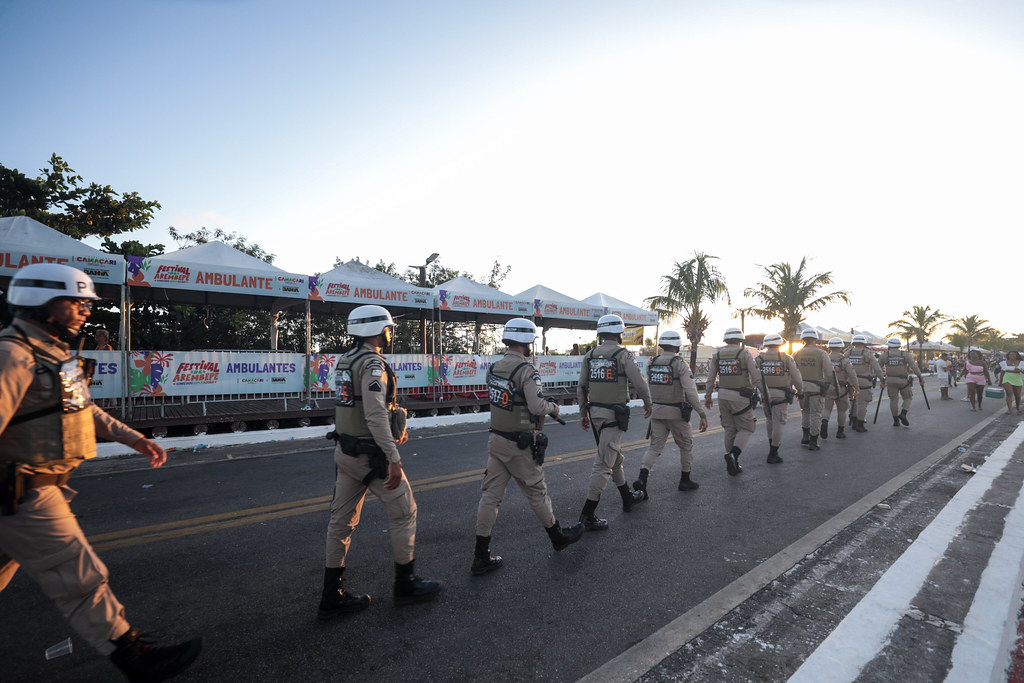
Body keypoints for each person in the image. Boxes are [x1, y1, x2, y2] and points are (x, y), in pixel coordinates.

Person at [0, 263, 201, 682]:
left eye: (85, 302)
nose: (84, 310)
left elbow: (84, 410)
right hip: (24, 493)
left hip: (34, 488)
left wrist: (134, 439)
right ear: (40, 300)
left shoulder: (51, 354)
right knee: (80, 576)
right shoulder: (13, 355)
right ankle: (134, 656)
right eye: (74, 301)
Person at [321, 304, 441, 618]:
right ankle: (406, 586)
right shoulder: (373, 364)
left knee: (340, 524)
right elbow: (374, 415)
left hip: (345, 453)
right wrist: (394, 458)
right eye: (388, 327)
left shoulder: (346, 360)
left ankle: (331, 597)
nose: (390, 333)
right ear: (376, 329)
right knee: (405, 512)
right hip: (369, 457)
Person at [471, 318, 583, 576]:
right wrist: (553, 408)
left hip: (497, 441)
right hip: (518, 444)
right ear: (525, 342)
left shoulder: (495, 367)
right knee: (537, 491)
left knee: (490, 497)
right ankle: (557, 537)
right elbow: (535, 406)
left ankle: (480, 555)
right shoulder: (527, 371)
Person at [576, 314, 652, 531]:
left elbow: (581, 386)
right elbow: (639, 382)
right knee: (603, 464)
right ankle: (587, 515)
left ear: (600, 333)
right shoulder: (622, 355)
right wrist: (648, 403)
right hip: (613, 416)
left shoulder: (589, 355)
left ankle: (627, 497)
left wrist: (583, 412)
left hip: (595, 415)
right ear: (620, 333)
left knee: (613, 456)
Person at [633, 330, 708, 496]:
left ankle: (642, 478)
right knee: (686, 446)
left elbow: (648, 386)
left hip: (657, 412)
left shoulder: (653, 362)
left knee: (654, 448)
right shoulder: (679, 363)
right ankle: (685, 480)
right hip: (676, 414)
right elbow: (690, 391)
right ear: (677, 345)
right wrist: (701, 413)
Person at [704, 327, 762, 474]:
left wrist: (708, 396)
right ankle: (733, 455)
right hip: (740, 397)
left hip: (722, 396)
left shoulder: (718, 355)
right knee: (748, 427)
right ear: (740, 340)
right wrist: (756, 390)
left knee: (730, 429)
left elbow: (710, 378)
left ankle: (733, 463)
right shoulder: (744, 354)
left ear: (726, 340)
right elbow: (756, 377)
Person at [754, 333, 803, 464]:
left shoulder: (759, 359)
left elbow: (753, 377)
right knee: (779, 423)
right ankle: (773, 453)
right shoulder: (786, 358)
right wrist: (801, 390)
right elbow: (797, 377)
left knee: (770, 421)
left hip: (765, 394)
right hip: (781, 395)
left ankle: (772, 447)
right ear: (780, 344)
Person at [794, 329, 836, 451]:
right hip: (816, 388)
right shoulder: (822, 354)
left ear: (803, 339)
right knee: (816, 414)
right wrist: (830, 385)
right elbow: (829, 372)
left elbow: (793, 373)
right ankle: (813, 441)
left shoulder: (796, 353)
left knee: (805, 411)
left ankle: (805, 436)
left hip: (802, 388)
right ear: (815, 339)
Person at [879, 338, 926, 425]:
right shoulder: (905, 355)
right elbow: (914, 367)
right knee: (908, 397)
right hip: (903, 380)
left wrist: (882, 380)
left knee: (893, 400)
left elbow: (878, 368)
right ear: (899, 345)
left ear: (889, 345)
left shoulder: (885, 355)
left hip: (890, 380)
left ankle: (895, 421)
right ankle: (903, 414)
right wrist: (920, 378)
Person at [821, 337, 859, 439]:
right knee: (842, 410)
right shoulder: (844, 360)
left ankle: (824, 421)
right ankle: (840, 432)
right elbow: (852, 375)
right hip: (841, 389)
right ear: (841, 347)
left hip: (827, 387)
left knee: (827, 409)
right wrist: (857, 389)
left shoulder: (825, 358)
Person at [845, 334, 885, 432]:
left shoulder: (847, 353)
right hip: (864, 381)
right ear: (864, 343)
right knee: (862, 403)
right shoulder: (867, 353)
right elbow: (877, 368)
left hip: (850, 381)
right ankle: (860, 424)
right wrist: (882, 379)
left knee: (853, 401)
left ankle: (854, 422)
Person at [998, 350, 1023, 414]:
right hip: (1007, 378)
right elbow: (1002, 372)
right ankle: (1009, 410)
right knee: (1009, 393)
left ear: (1017, 355)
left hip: (1017, 379)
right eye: (1011, 354)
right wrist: (1000, 382)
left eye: (1014, 354)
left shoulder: (1021, 363)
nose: (1012, 356)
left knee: (1017, 395)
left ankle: (1017, 407)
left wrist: (1020, 370)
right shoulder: (1004, 362)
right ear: (1008, 355)